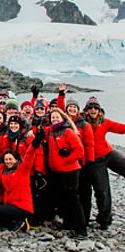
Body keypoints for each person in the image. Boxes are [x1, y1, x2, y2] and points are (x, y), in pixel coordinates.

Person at [0, 129, 44, 231]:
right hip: (11, 206)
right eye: (6, 159)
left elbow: (29, 155)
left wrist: (35, 142)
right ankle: (19, 223)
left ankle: (18, 221)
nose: (8, 162)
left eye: (10, 159)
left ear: (16, 160)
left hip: (22, 207)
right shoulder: (4, 172)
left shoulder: (22, 169)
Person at [83, 97, 125, 229]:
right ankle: (104, 219)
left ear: (100, 111)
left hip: (109, 154)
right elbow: (65, 113)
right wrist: (61, 95)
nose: (93, 110)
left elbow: (120, 128)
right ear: (86, 111)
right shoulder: (81, 123)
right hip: (96, 160)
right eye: (90, 108)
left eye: (96, 108)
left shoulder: (104, 122)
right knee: (102, 190)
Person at [44, 108, 87, 237]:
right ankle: (69, 223)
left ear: (62, 118)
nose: (54, 119)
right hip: (57, 171)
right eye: (52, 117)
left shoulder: (68, 132)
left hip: (70, 170)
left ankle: (81, 229)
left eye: (57, 117)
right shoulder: (51, 131)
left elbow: (79, 150)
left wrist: (66, 159)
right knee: (63, 198)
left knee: (73, 199)